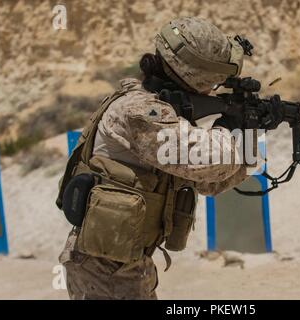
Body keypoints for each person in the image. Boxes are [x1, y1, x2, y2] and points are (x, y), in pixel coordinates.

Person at [57, 16, 262, 300]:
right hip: (103, 270)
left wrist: (252, 137)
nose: (216, 89)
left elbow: (209, 183)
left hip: (125, 265)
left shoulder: (163, 114)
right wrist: (234, 127)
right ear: (198, 75)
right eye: (215, 83)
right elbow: (206, 160)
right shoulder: (138, 110)